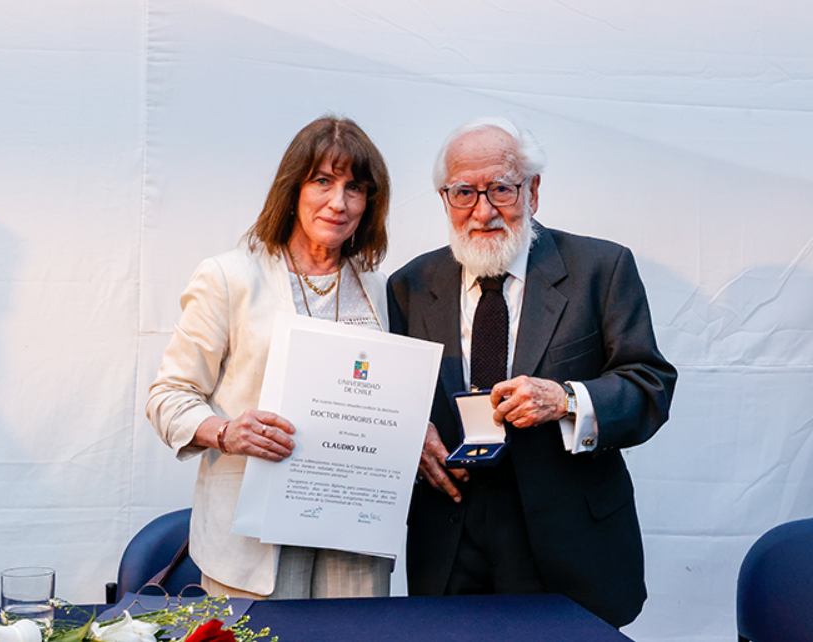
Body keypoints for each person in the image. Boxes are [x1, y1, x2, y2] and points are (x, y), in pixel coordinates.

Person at [387, 117, 676, 627]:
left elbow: (650, 386)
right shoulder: (409, 285)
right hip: (452, 535)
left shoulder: (601, 269)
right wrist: (409, 434)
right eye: (463, 193)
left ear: (532, 191)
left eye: (501, 188)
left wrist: (566, 399)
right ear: (444, 199)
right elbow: (393, 397)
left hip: (568, 539)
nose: (482, 210)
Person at [147, 116, 392, 600]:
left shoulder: (383, 291)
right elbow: (168, 396)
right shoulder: (229, 277)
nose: (338, 202)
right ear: (292, 188)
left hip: (354, 541)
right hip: (254, 541)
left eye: (355, 188)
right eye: (322, 181)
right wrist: (226, 431)